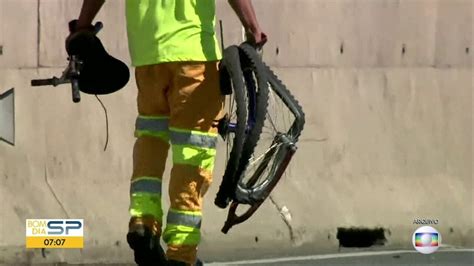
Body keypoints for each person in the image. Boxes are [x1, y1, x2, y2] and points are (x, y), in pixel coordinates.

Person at [67, 0, 267, 265]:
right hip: (194, 55)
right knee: (193, 154)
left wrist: (82, 25)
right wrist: (252, 28)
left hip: (148, 56)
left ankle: (143, 222)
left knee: (151, 140)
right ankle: (181, 253)